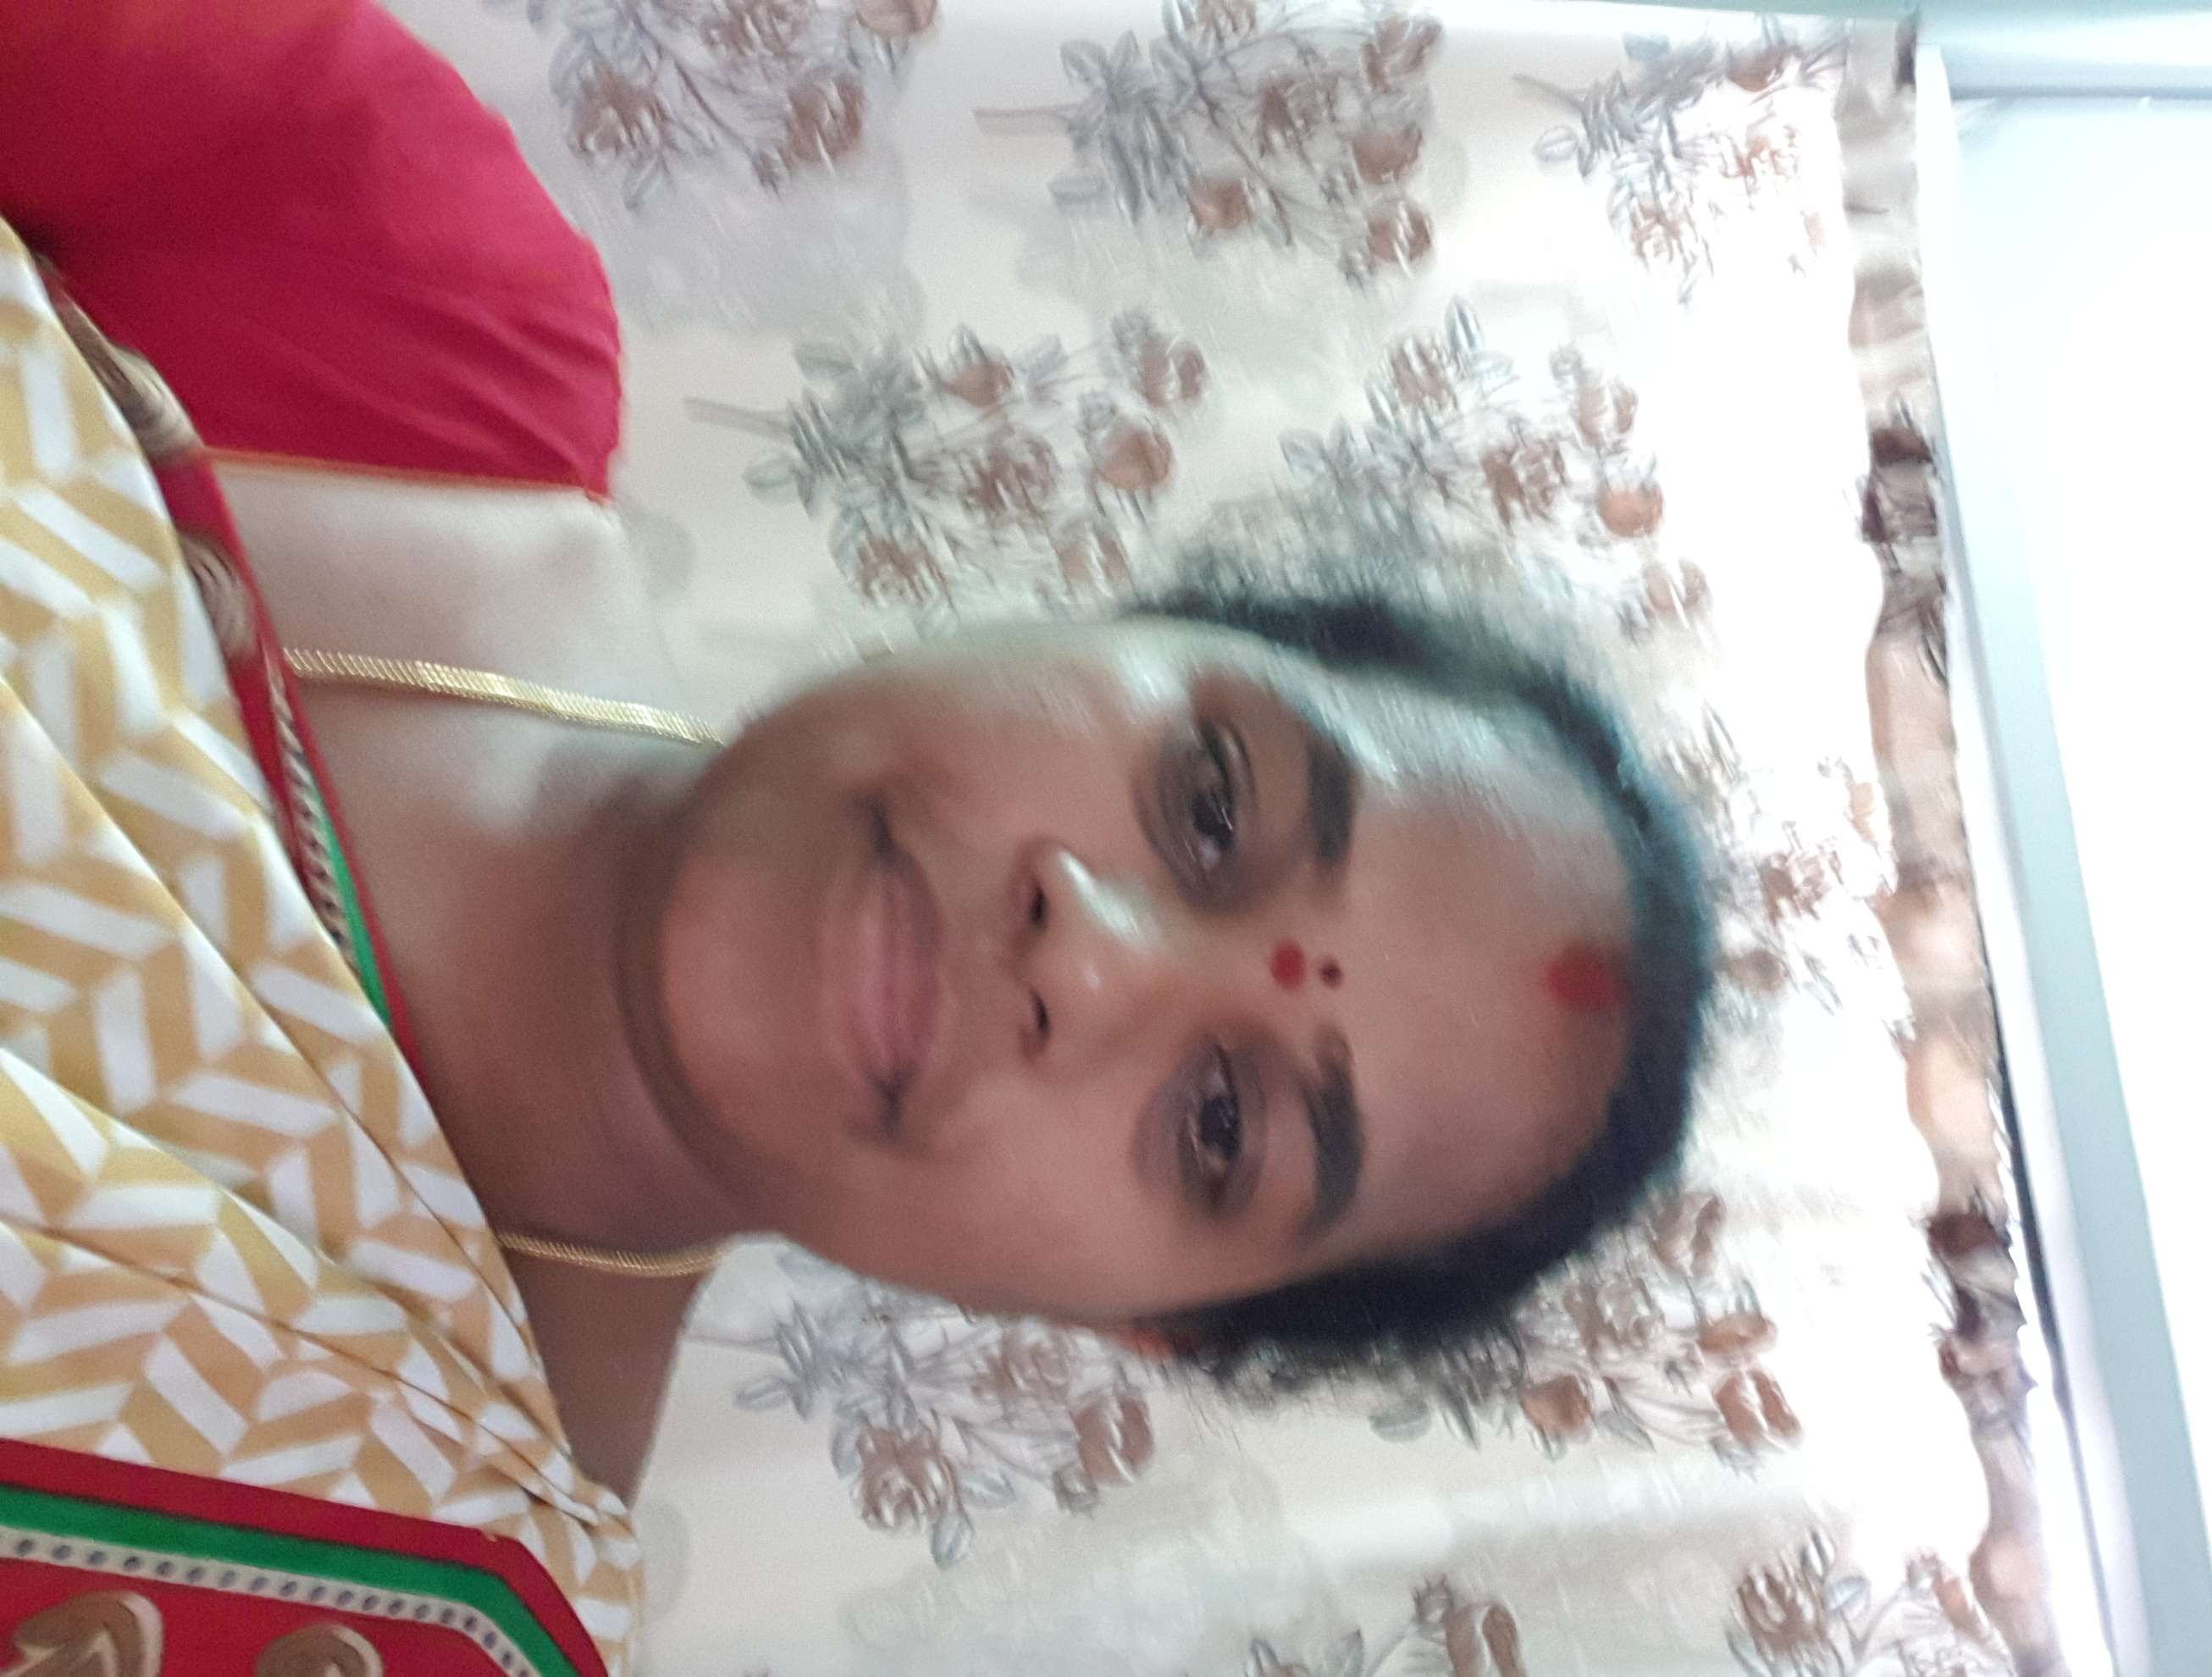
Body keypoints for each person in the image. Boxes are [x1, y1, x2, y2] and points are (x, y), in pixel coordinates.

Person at [0, 2, 1711, 1671]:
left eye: (1219, 1124)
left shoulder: (405, 1603)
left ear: (1135, 1325)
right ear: (1118, 623)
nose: (1088, 953)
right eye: (1211, 802)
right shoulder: (393, 271)